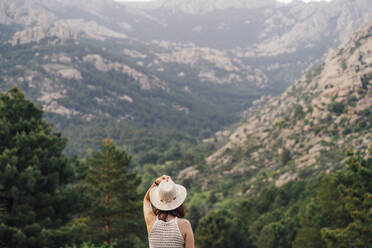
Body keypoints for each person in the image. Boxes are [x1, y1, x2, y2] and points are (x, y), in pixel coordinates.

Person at [143, 175, 195, 248]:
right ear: (178, 202)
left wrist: (156, 182)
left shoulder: (150, 221)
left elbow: (146, 200)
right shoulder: (185, 225)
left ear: (159, 200)